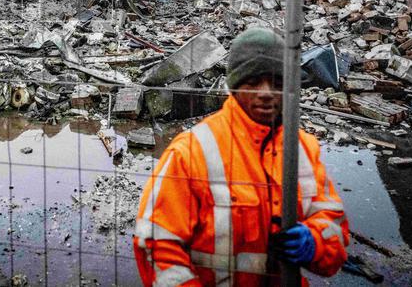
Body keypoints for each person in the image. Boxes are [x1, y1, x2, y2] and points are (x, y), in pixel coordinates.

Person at [133, 27, 348, 286]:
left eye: (277, 82)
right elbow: (156, 242)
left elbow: (333, 224)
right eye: (254, 82)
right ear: (234, 86)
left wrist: (316, 241)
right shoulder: (192, 152)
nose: (267, 92)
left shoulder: (302, 149)